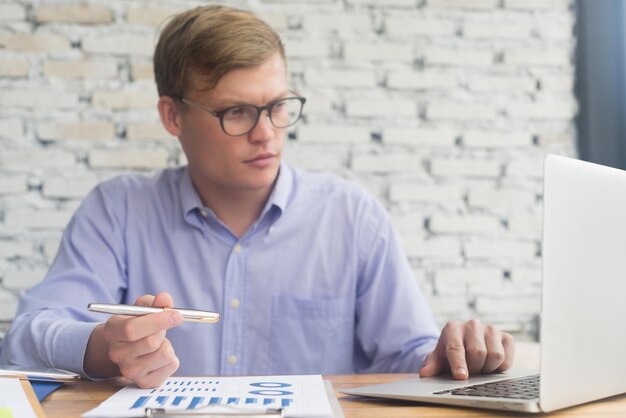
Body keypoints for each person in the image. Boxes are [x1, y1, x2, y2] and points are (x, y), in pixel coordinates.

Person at [0, 5, 514, 389]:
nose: (266, 132)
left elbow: (410, 356)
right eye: (237, 113)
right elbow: (24, 338)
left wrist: (452, 354)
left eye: (278, 106)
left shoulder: (351, 217)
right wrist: (101, 349)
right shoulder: (119, 210)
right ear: (172, 116)